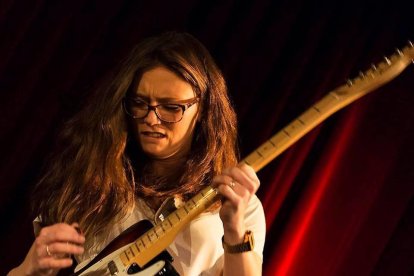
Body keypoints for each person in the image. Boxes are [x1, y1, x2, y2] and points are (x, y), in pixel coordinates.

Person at [8, 31, 266, 276]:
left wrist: (234, 229)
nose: (152, 119)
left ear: (203, 111)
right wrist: (30, 268)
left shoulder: (239, 204)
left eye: (170, 107)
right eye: (140, 103)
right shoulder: (87, 179)